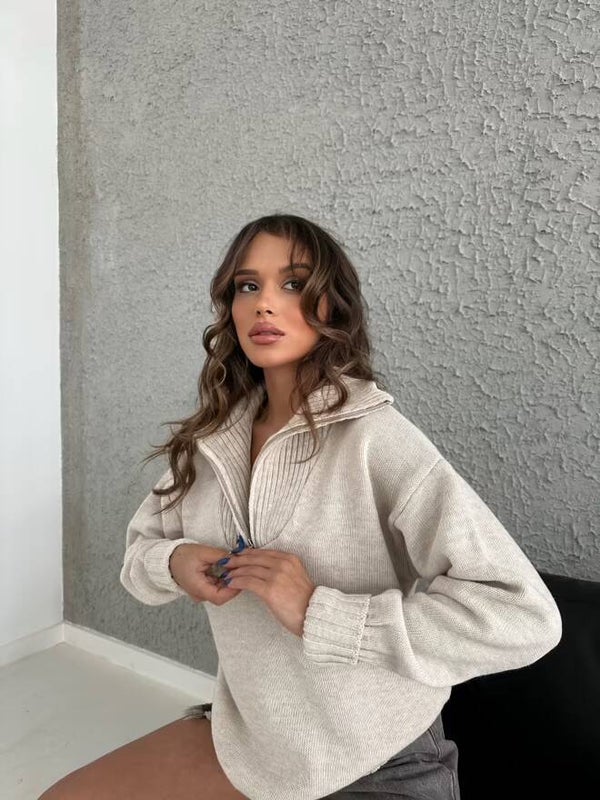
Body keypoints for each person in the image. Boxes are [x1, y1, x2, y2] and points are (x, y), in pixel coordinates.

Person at [39, 213, 562, 800]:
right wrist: (175, 561)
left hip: (380, 756)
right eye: (247, 285)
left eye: (292, 283)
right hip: (253, 741)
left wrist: (320, 613)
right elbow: (138, 560)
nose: (264, 303)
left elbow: (524, 616)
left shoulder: (376, 439)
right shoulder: (210, 442)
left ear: (332, 306)